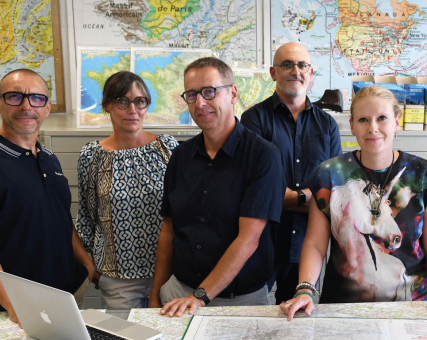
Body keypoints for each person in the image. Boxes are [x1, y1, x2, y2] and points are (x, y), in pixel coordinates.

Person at [280, 85, 427, 321]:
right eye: (363, 120)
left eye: (382, 118)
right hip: (343, 309)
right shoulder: (329, 174)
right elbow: (315, 244)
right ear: (352, 125)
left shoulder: (424, 173)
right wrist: (305, 289)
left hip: (414, 308)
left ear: (396, 121)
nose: (373, 127)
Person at [149, 58, 285, 317]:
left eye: (209, 92)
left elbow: (248, 240)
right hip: (178, 294)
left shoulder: (263, 156)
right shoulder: (181, 156)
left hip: (239, 302)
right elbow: (169, 229)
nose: (200, 103)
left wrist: (199, 296)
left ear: (232, 94)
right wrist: (155, 294)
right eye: (192, 95)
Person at [0, 69, 95, 322]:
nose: (26, 106)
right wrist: (15, 305)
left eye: (37, 98)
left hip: (69, 295)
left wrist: (86, 265)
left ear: (46, 108)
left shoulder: (49, 159)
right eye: (15, 96)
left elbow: (60, 217)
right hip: (16, 309)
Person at [241, 42, 342, 305]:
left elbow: (335, 189)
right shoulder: (253, 119)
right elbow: (254, 187)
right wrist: (310, 199)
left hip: (309, 243)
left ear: (311, 73)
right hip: (263, 242)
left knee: (297, 315)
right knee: (253, 313)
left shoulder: (327, 125)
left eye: (302, 65)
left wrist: (292, 198)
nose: (296, 71)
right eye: (287, 65)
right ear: (273, 73)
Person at [76, 71, 178, 309]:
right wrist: (92, 267)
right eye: (122, 101)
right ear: (107, 106)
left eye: (139, 101)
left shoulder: (168, 148)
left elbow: (181, 211)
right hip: (117, 277)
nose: (133, 110)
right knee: (125, 332)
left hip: (169, 272)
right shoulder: (92, 155)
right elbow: (87, 216)